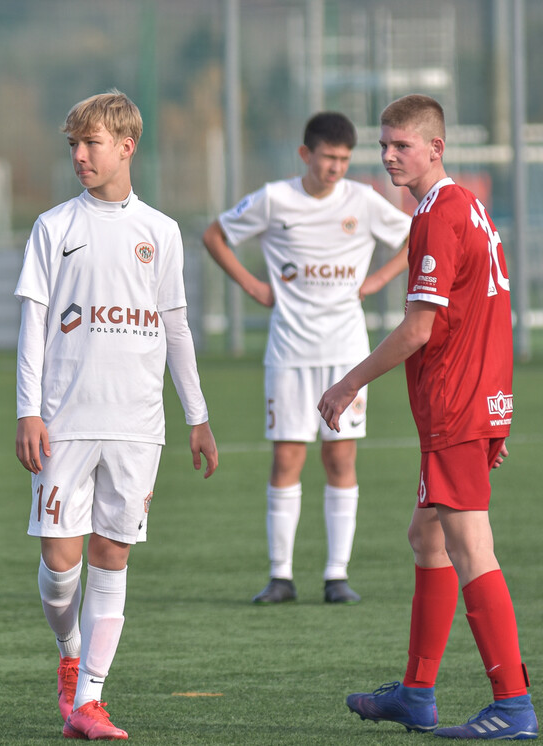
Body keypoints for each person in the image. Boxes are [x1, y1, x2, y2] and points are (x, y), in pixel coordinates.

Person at [320, 94, 536, 740]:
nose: (387, 156)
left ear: (435, 149)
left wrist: (348, 382)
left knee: (471, 545)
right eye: (383, 145)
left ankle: (513, 705)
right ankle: (416, 693)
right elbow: (490, 313)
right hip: (473, 402)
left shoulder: (439, 215)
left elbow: (419, 328)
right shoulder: (468, 205)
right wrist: (496, 411)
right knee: (428, 537)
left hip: (455, 405)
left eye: (401, 146)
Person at [14, 89, 218, 741]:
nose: (79, 155)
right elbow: (34, 322)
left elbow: (176, 326)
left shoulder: (160, 232)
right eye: (73, 144)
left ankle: (92, 699)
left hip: (136, 425)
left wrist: (198, 415)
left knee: (111, 553)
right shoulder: (54, 227)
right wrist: (28, 411)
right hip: (65, 421)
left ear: (127, 146)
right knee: (59, 566)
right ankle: (69, 655)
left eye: (91, 143)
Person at [201, 112, 411, 605]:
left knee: (340, 457)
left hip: (346, 354)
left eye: (344, 159)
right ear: (305, 155)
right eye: (327, 158)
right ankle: (281, 576)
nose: (335, 168)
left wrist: (378, 281)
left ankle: (337, 576)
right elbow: (215, 235)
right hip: (290, 351)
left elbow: (413, 235)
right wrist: (253, 285)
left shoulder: (362, 201)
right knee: (287, 456)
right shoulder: (276, 199)